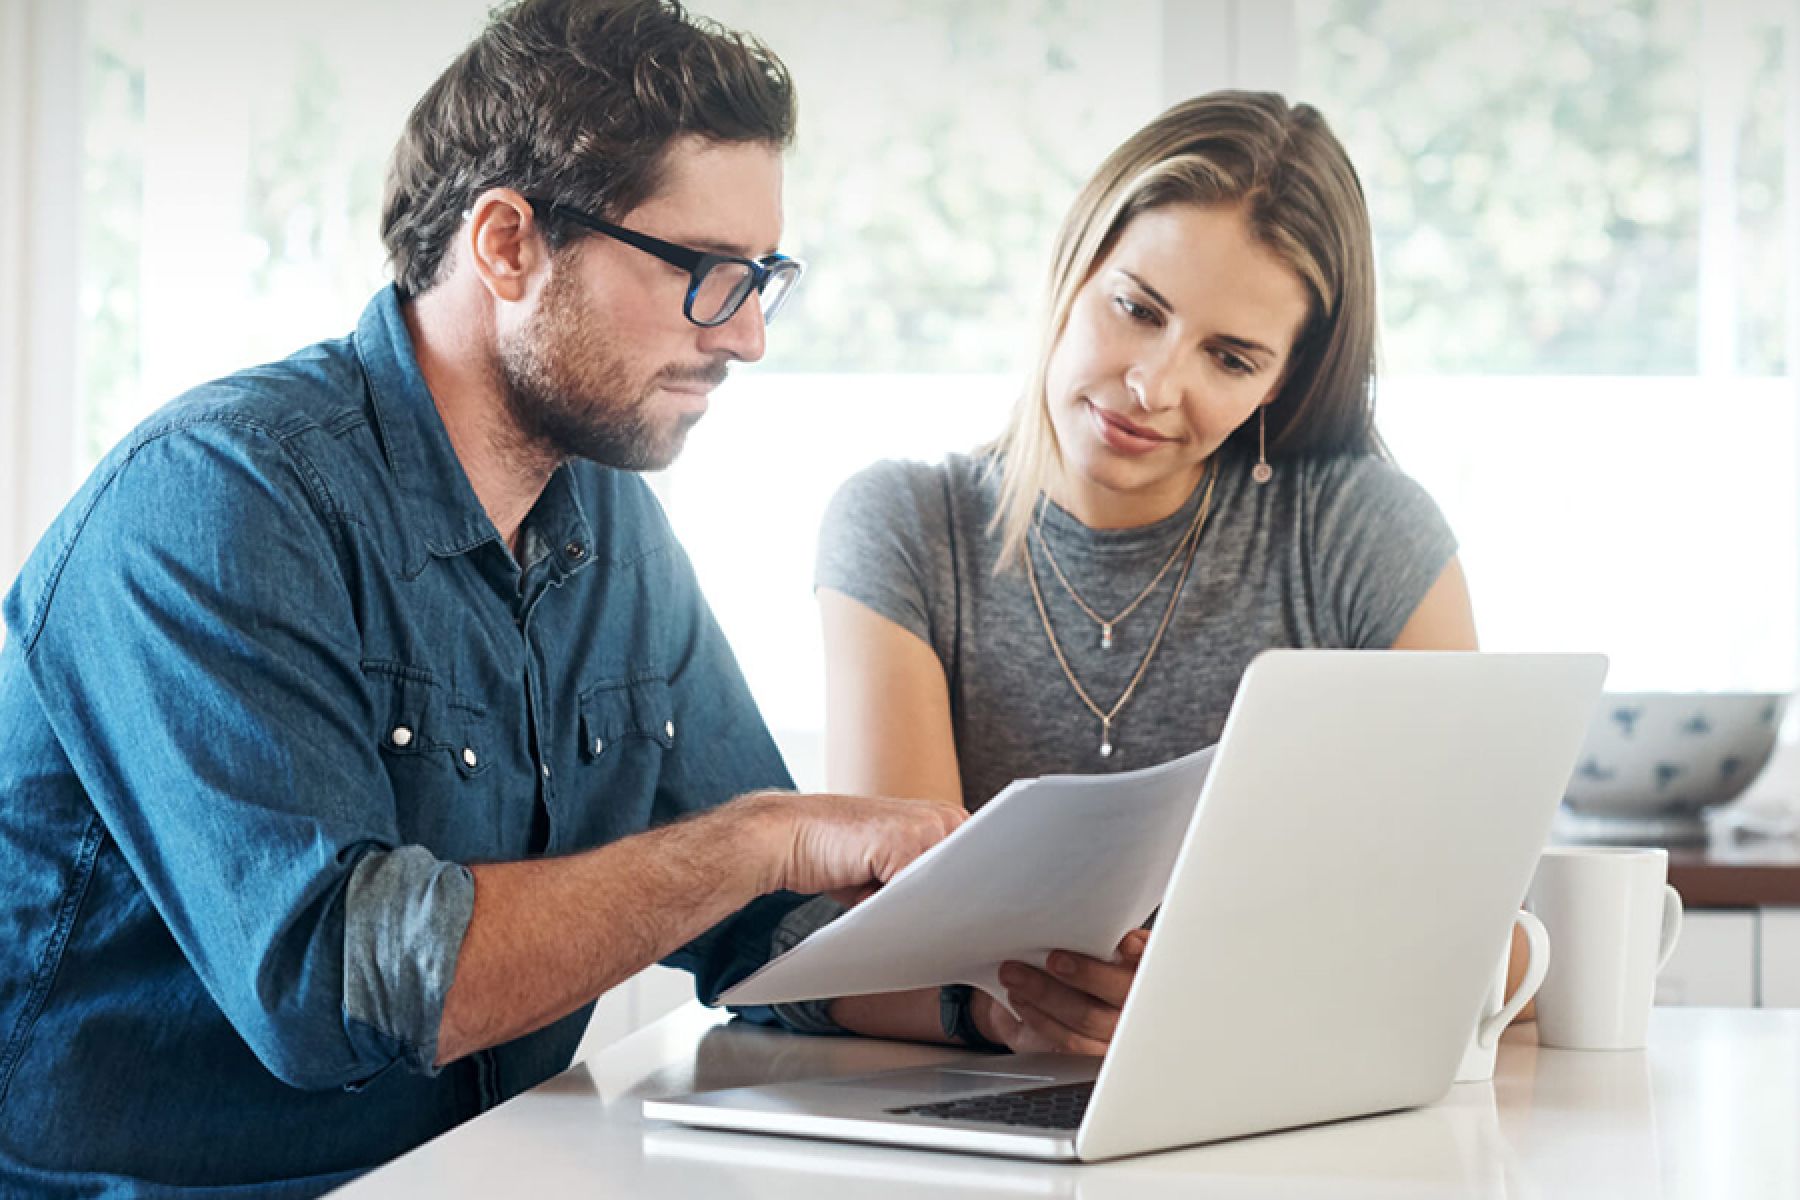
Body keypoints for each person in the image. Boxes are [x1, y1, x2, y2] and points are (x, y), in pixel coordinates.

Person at [0, 2, 973, 1193]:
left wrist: (993, 1004)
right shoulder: (216, 497)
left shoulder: (612, 526)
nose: (750, 336)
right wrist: (762, 839)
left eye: (763, 276)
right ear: (507, 243)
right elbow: (336, 983)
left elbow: (754, 924)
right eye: (707, 275)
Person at [804, 92, 1483, 1055]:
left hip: (1276, 1092)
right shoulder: (905, 528)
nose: (1155, 388)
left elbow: (1477, 919)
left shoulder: (1360, 533)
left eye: (1231, 357)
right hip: (988, 1110)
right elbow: (904, 938)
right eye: (1136, 308)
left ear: (1280, 383)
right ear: (1072, 265)